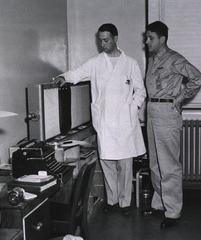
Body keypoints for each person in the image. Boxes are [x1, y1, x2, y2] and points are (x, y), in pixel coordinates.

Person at [52, 23, 146, 216]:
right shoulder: (95, 62)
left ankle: (125, 202)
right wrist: (64, 77)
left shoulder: (130, 63)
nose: (102, 44)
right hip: (105, 121)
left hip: (125, 121)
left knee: (125, 165)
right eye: (100, 40)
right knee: (108, 163)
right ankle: (112, 201)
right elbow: (77, 73)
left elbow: (140, 91)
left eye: (106, 40)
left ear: (115, 38)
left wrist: (133, 108)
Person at [142, 21, 201, 228]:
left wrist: (181, 97)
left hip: (167, 113)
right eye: (146, 37)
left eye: (151, 38)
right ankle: (159, 203)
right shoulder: (152, 59)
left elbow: (197, 78)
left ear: (162, 39)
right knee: (155, 163)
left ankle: (173, 212)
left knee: (169, 165)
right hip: (152, 111)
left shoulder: (174, 59)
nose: (147, 41)